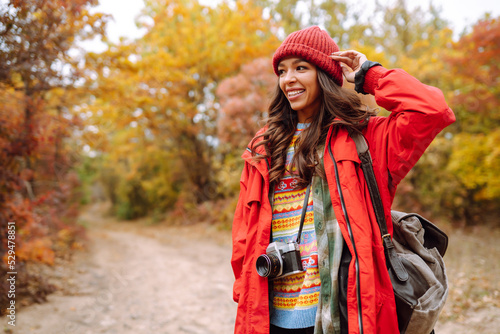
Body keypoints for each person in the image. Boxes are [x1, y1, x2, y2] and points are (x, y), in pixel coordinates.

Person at [230, 26, 455, 334]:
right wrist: (245, 294)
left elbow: (433, 110)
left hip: (344, 313)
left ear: (324, 75)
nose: (288, 79)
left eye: (301, 68)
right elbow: (244, 231)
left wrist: (370, 75)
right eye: (282, 71)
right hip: (269, 314)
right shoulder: (263, 146)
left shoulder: (365, 138)